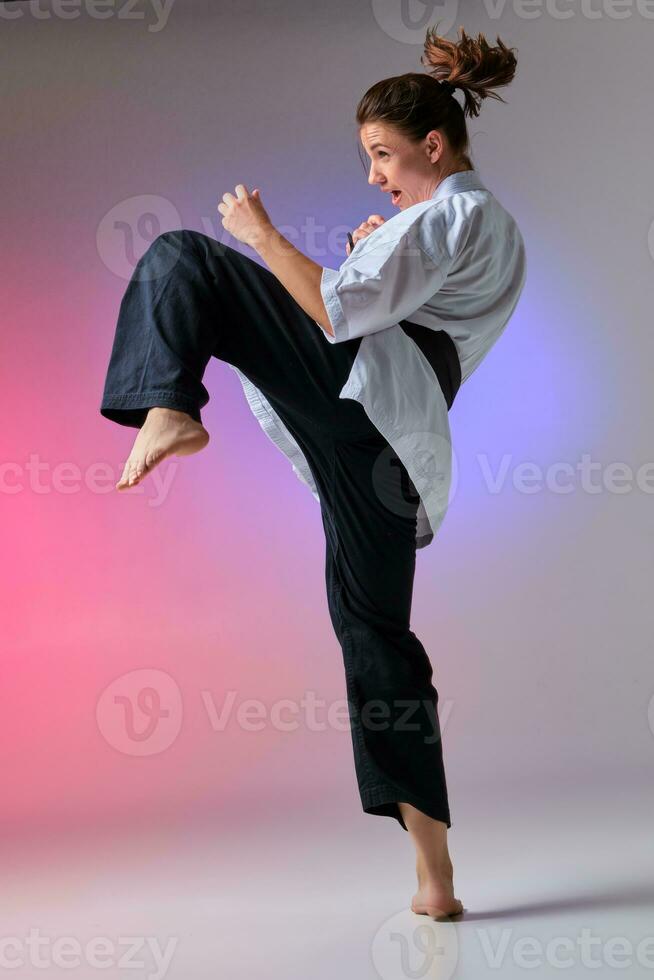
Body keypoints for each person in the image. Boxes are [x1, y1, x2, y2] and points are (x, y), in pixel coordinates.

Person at [99, 24, 526, 921]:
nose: (375, 173)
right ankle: (435, 879)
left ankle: (169, 406)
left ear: (433, 146)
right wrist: (382, 245)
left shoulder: (460, 211)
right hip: (384, 450)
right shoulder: (462, 226)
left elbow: (336, 308)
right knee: (377, 639)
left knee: (184, 256)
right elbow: (375, 297)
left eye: (383, 154)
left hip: (364, 393)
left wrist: (260, 233)